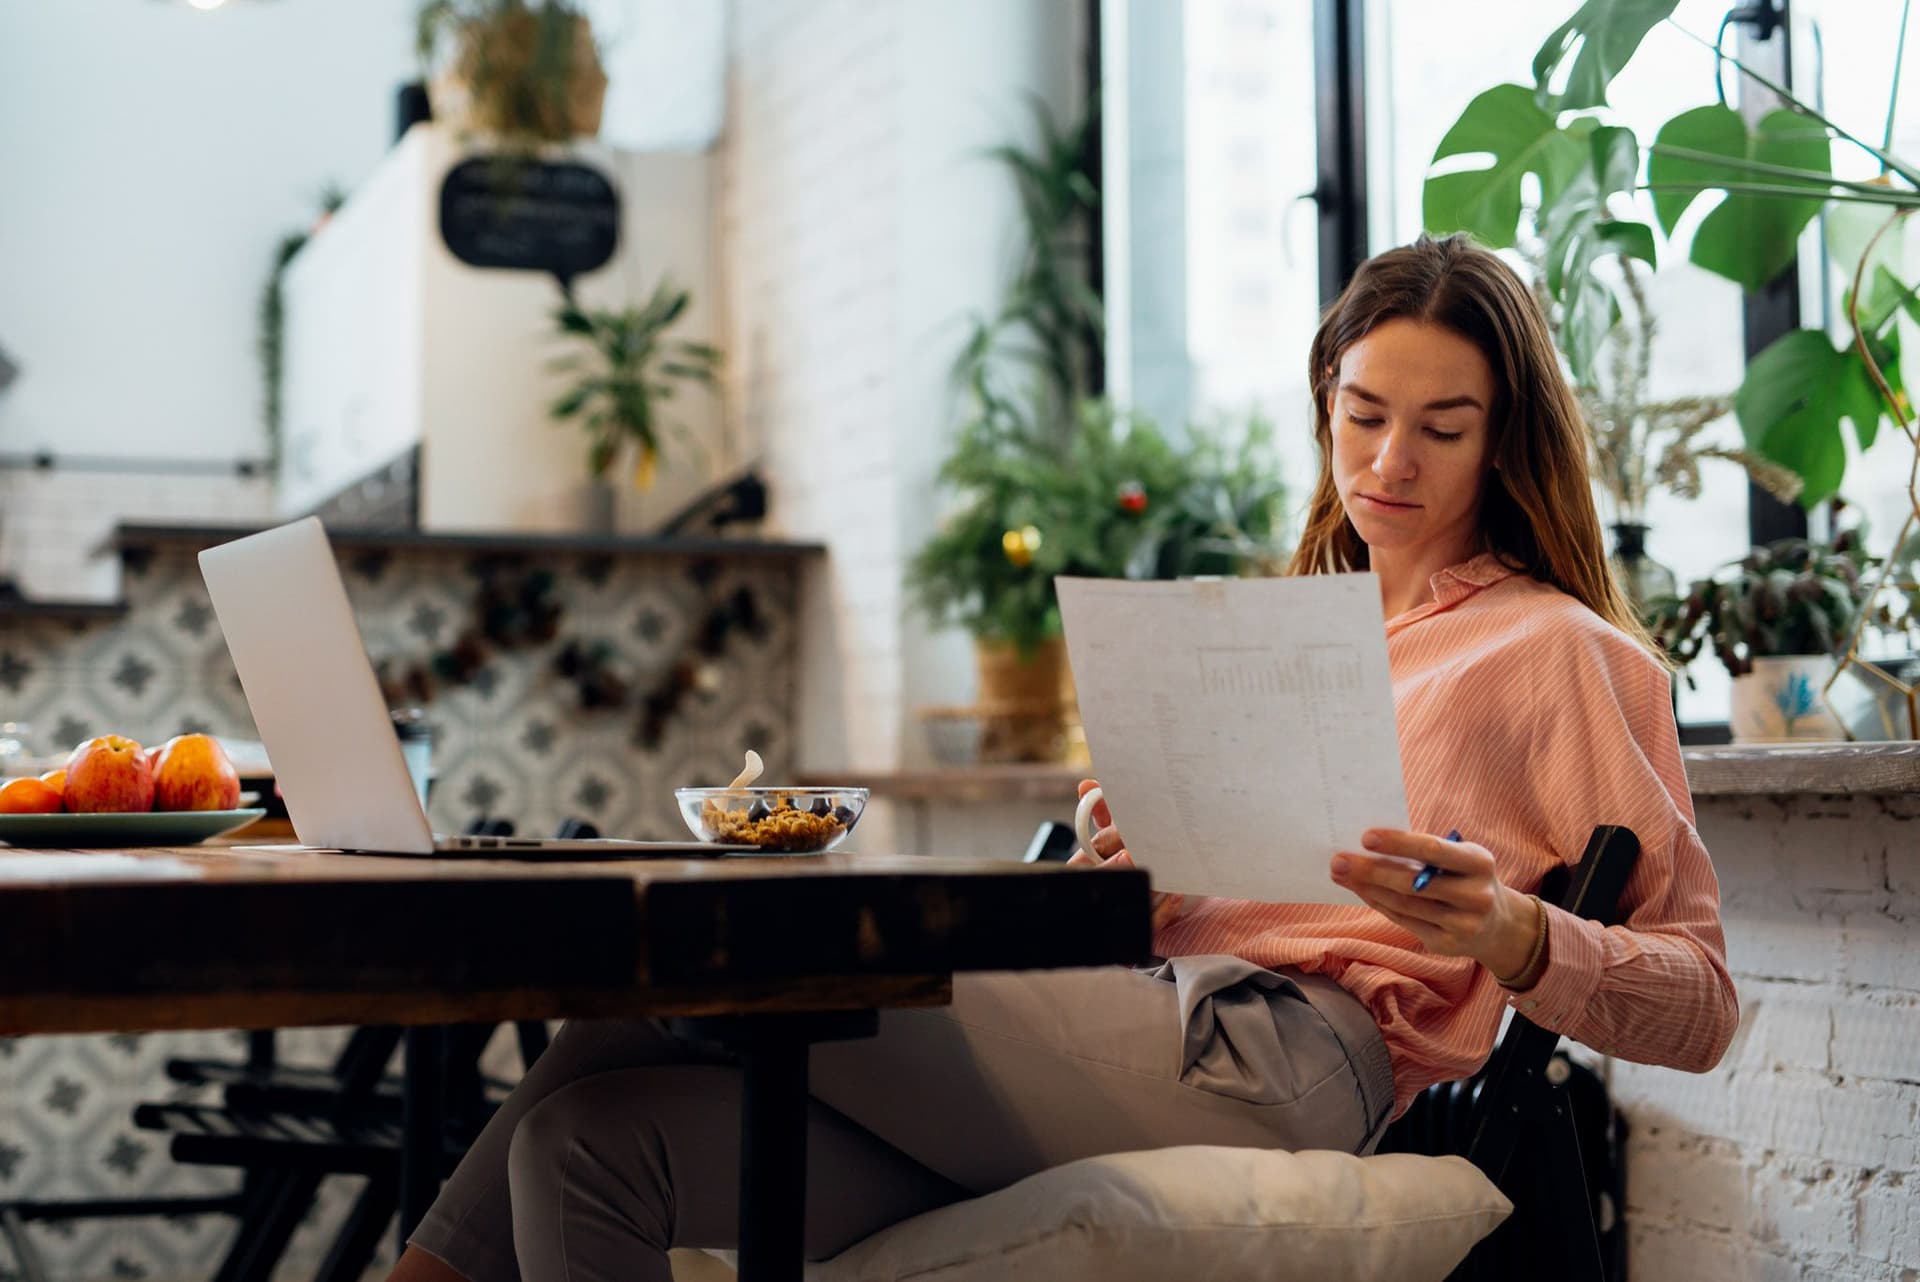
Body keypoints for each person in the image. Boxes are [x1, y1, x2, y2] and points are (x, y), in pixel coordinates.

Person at [387, 234, 1738, 1282]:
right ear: (1324, 400)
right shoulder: (1282, 632)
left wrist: (1510, 930)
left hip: (1291, 1057)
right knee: (591, 1147)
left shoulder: (1554, 650)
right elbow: (1197, 897)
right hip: (1135, 1021)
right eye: (1362, 411)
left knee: (695, 951)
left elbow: (1704, 1000)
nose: (1389, 459)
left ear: (1505, 440)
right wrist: (1135, 865)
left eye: (1443, 427)